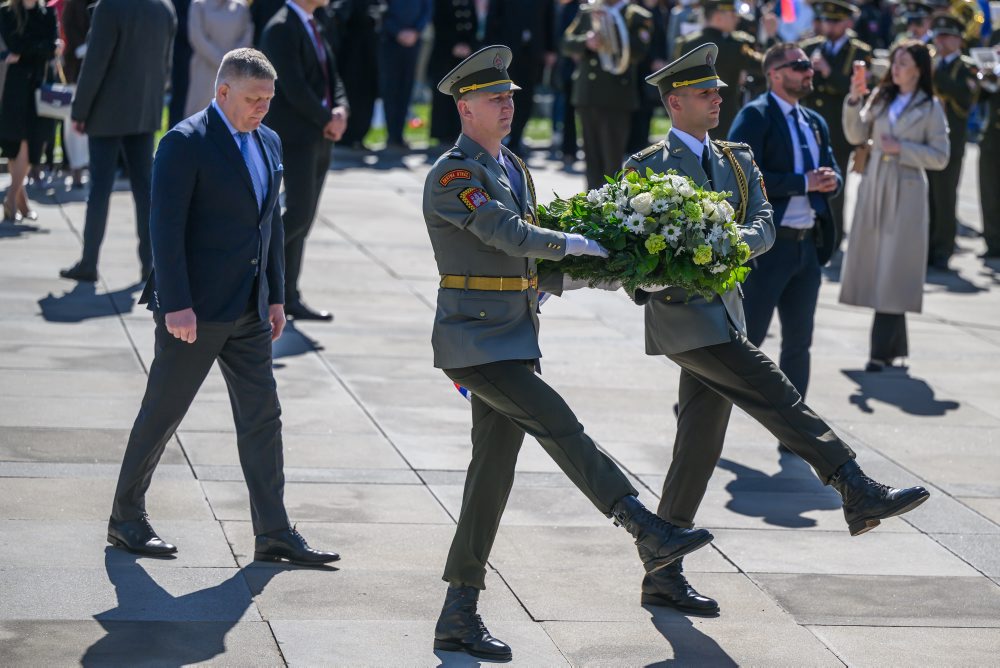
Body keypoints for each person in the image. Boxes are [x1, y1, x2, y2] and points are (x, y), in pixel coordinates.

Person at [425, 45, 713, 661]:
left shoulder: (514, 169)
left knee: (491, 476)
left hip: (514, 336)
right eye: (495, 100)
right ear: (465, 107)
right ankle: (642, 524)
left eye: (510, 99)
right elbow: (506, 234)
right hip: (474, 341)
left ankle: (458, 610)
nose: (507, 107)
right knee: (560, 424)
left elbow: (530, 265)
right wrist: (571, 241)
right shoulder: (453, 175)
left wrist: (613, 271)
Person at [624, 42, 929, 615]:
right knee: (774, 388)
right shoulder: (647, 167)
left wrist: (729, 243)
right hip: (684, 319)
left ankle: (661, 565)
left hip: (726, 311)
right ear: (674, 103)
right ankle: (852, 484)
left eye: (717, 90)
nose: (718, 98)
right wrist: (682, 262)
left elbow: (762, 221)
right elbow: (629, 251)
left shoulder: (737, 158)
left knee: (699, 443)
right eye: (704, 93)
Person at [109, 48, 338, 567]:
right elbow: (163, 231)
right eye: (254, 99)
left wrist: (277, 295)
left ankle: (274, 531)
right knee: (164, 413)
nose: (263, 108)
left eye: (268, 100)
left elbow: (271, 226)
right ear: (223, 92)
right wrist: (178, 304)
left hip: (252, 310)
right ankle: (125, 517)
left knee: (263, 417)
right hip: (197, 311)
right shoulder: (184, 143)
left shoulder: (270, 140)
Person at [729, 43, 841, 405]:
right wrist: (803, 182)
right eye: (799, 65)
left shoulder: (814, 121)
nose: (809, 71)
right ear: (774, 74)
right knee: (746, 341)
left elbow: (832, 167)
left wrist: (831, 180)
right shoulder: (755, 116)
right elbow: (740, 179)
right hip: (768, 248)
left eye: (809, 65)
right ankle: (703, 405)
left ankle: (796, 436)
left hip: (807, 246)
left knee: (798, 345)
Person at [840, 41, 948, 370]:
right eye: (895, 62)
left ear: (918, 68)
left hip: (907, 189)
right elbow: (854, 132)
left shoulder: (930, 106)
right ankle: (894, 346)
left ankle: (878, 352)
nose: (896, 68)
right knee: (878, 263)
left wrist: (902, 148)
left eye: (903, 62)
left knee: (895, 264)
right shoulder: (881, 97)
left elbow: (941, 157)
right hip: (875, 184)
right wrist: (855, 98)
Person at [60, 0, 176, 283]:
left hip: (106, 113)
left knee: (99, 190)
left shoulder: (110, 7)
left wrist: (80, 110)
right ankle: (150, 265)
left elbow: (95, 63)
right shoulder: (164, 8)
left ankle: (89, 263)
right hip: (144, 110)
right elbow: (166, 65)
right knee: (144, 191)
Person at [260, 0, 348, 321]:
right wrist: (326, 117)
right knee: (296, 214)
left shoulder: (316, 23)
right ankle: (253, 275)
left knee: (304, 217)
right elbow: (292, 86)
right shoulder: (282, 27)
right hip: (296, 136)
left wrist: (340, 110)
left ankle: (287, 295)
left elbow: (332, 77)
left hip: (320, 134)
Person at [799, 0, 872, 255]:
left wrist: (828, 72)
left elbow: (857, 91)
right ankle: (809, 233)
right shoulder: (810, 47)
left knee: (834, 188)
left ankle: (834, 238)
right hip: (809, 126)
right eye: (826, 21)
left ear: (848, 23)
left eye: (835, 21)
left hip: (839, 130)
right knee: (807, 182)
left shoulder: (859, 52)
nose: (829, 26)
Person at [562, 0, 654, 189]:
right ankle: (592, 203)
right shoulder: (589, 10)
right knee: (591, 159)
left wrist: (609, 29)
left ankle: (610, 207)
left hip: (616, 97)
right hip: (587, 94)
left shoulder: (636, 15)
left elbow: (638, 52)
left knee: (611, 161)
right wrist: (586, 42)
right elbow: (566, 43)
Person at [926, 13, 979, 270]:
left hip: (951, 139)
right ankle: (926, 247)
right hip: (925, 138)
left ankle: (943, 249)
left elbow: (965, 97)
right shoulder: (930, 61)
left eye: (947, 37)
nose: (941, 42)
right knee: (927, 196)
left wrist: (937, 74)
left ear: (959, 40)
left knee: (945, 196)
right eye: (938, 36)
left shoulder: (966, 66)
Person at [673, 0, 768, 140]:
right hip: (724, 117)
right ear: (718, 17)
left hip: (691, 117)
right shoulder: (735, 45)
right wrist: (770, 38)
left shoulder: (686, 43)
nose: (737, 18)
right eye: (732, 14)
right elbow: (765, 66)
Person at [0, 0, 57, 223]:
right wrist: (39, 48)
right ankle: (16, 200)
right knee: (17, 143)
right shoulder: (7, 12)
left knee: (33, 143)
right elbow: (15, 44)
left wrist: (27, 52)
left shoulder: (47, 13)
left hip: (40, 86)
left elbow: (49, 47)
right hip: (15, 86)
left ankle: (13, 198)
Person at [485, 0, 555, 156]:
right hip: (506, 53)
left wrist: (550, 49)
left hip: (533, 52)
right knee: (502, 95)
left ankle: (517, 138)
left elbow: (549, 19)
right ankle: (499, 138)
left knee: (526, 97)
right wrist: (490, 50)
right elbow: (493, 18)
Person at [327, 0, 381, 152]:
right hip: (349, 54)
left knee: (366, 95)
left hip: (368, 52)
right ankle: (345, 136)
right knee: (350, 93)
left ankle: (359, 135)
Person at [184, 0, 253, 118]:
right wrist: (223, 61)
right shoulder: (198, 5)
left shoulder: (241, 7)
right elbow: (197, 37)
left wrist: (233, 60)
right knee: (200, 115)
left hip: (234, 73)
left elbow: (247, 34)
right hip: (205, 70)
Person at [427, 0, 480, 150]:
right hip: (444, 54)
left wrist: (469, 45)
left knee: (463, 95)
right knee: (444, 95)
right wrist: (453, 45)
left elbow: (473, 24)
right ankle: (441, 134)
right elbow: (439, 23)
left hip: (465, 55)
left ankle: (460, 133)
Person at [378, 0, 430, 152]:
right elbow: (382, 11)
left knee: (406, 88)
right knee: (390, 88)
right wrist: (397, 32)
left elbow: (426, 10)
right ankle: (391, 135)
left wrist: (416, 31)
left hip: (414, 41)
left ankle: (400, 134)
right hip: (390, 41)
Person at [978, 32, 1000, 259]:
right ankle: (993, 242)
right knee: (990, 190)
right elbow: (979, 98)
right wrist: (986, 73)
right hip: (993, 134)